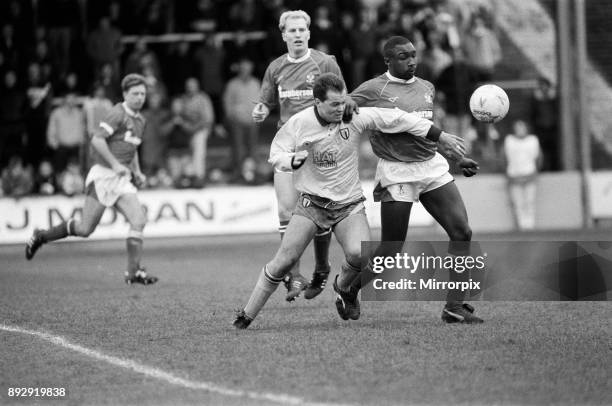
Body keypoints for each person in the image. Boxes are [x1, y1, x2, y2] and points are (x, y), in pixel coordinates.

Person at [233, 73, 466, 329]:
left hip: (349, 205)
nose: (340, 108)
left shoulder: (354, 116)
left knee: (359, 253)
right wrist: (290, 161)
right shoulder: (299, 123)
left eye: (343, 101)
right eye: (334, 104)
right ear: (317, 102)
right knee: (285, 260)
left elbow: (399, 119)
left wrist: (440, 136)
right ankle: (246, 315)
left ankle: (343, 286)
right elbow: (276, 153)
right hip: (312, 204)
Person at [349, 36, 483, 323]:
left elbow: (430, 130)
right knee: (391, 249)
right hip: (397, 171)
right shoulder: (373, 88)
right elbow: (345, 108)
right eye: (402, 56)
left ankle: (454, 306)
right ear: (388, 60)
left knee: (462, 233)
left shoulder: (427, 87)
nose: (411, 61)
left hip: (431, 167)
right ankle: (349, 288)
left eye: (413, 55)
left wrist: (457, 158)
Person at [252, 10, 356, 301]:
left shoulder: (325, 62)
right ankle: (293, 275)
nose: (297, 34)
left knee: (320, 211)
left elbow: (342, 99)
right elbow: (265, 101)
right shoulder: (275, 68)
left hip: (320, 145)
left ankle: (322, 268)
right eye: (292, 30)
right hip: (288, 145)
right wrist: (260, 110)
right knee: (286, 211)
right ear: (283, 34)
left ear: (309, 33)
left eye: (302, 30)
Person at [25, 74, 158, 286]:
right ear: (125, 94)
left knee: (139, 220)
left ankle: (133, 273)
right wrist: (115, 164)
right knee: (85, 229)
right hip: (104, 177)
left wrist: (138, 172)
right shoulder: (117, 113)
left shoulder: (140, 120)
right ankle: (41, 236)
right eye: (135, 93)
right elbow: (96, 140)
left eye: (143, 93)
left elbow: (132, 149)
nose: (140, 97)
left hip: (122, 181)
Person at [503, 120, 542, 230]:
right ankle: (521, 226)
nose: (520, 130)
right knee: (518, 203)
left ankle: (530, 225)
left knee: (530, 201)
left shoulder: (533, 140)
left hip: (530, 175)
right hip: (514, 176)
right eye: (517, 128)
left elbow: (539, 157)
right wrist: (507, 171)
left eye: (522, 127)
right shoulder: (509, 140)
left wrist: (536, 171)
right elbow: (504, 158)